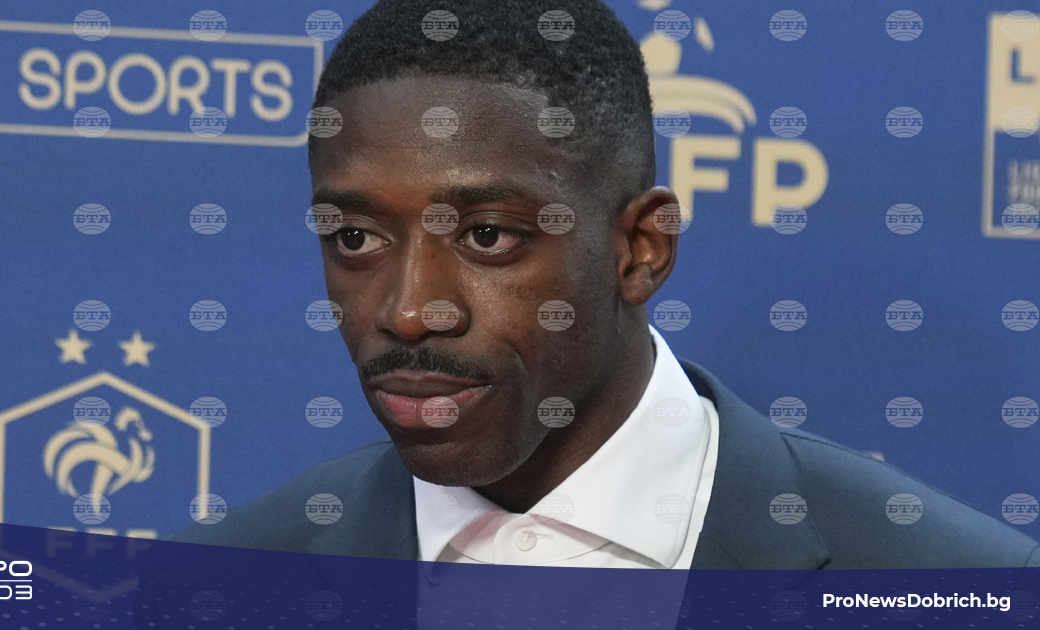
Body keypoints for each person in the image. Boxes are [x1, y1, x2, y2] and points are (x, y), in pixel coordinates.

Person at [172, 0, 1040, 570]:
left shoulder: (950, 585)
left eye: (487, 236)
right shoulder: (224, 583)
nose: (407, 311)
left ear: (640, 250)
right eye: (356, 238)